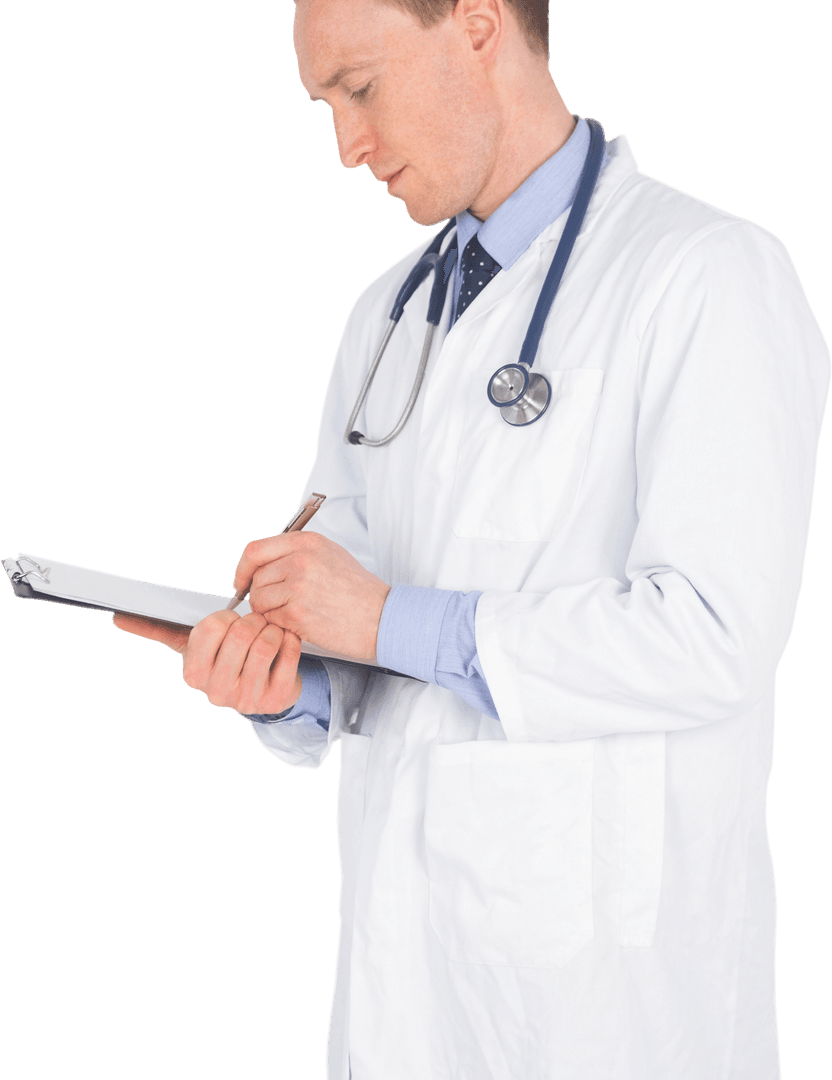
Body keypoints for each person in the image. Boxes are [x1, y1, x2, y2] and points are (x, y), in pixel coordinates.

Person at [113, 0, 830, 1076]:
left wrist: (386, 621)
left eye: (360, 89)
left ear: (480, 26)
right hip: (405, 992)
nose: (347, 146)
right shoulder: (385, 316)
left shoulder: (708, 273)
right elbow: (362, 624)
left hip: (608, 1007)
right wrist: (290, 681)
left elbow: (714, 635)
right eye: (326, 106)